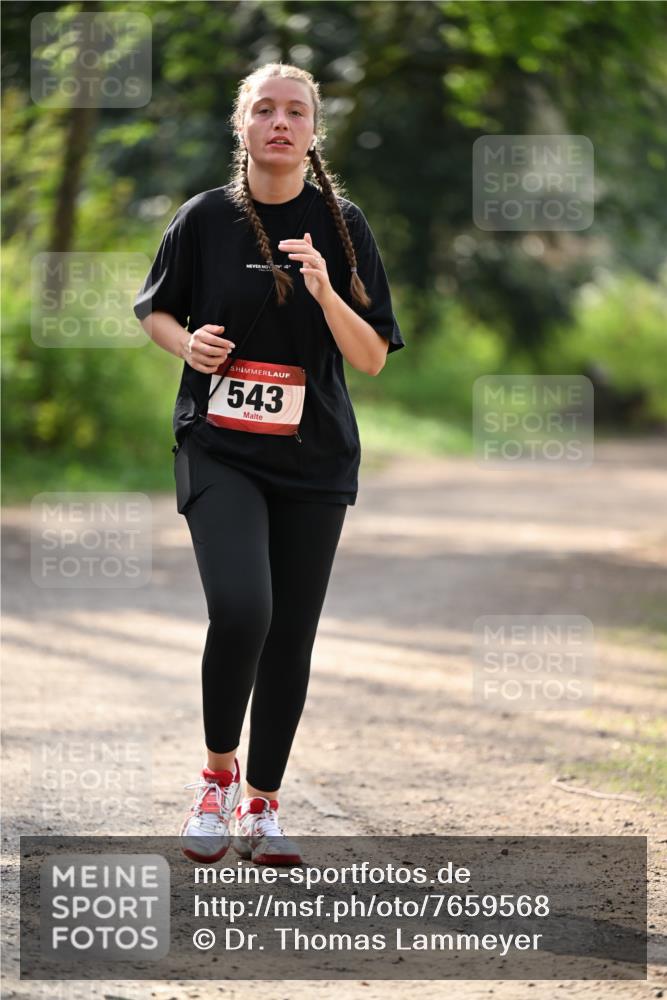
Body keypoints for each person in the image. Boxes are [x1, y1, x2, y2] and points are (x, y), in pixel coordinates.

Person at [133, 62, 405, 866]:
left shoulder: (344, 227)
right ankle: (216, 781)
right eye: (263, 109)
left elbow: (372, 358)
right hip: (218, 446)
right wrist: (191, 345)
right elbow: (155, 307)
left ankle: (264, 806)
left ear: (314, 130)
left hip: (313, 457)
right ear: (240, 126)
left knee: (290, 634)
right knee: (244, 609)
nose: (279, 122)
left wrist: (325, 291)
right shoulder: (204, 218)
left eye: (295, 111)